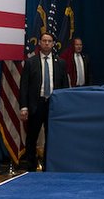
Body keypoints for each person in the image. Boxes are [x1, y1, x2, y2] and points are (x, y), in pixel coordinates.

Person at [19, 32, 69, 170]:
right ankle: (31, 166)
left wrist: (64, 106)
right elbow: (24, 86)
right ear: (39, 43)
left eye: (49, 41)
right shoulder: (30, 62)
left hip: (53, 105)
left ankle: (48, 166)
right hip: (36, 104)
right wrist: (23, 106)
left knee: (51, 137)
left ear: (53, 44)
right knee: (32, 137)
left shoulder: (61, 63)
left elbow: (65, 86)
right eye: (44, 41)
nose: (47, 43)